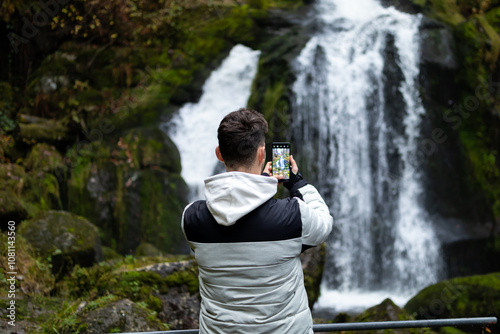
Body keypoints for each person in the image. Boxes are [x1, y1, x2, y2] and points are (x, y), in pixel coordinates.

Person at [181, 108, 333, 334]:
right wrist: (295, 182)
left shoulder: (192, 219)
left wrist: (261, 184)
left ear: (219, 154)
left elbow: (236, 210)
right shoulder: (293, 216)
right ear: (262, 154)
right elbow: (324, 223)